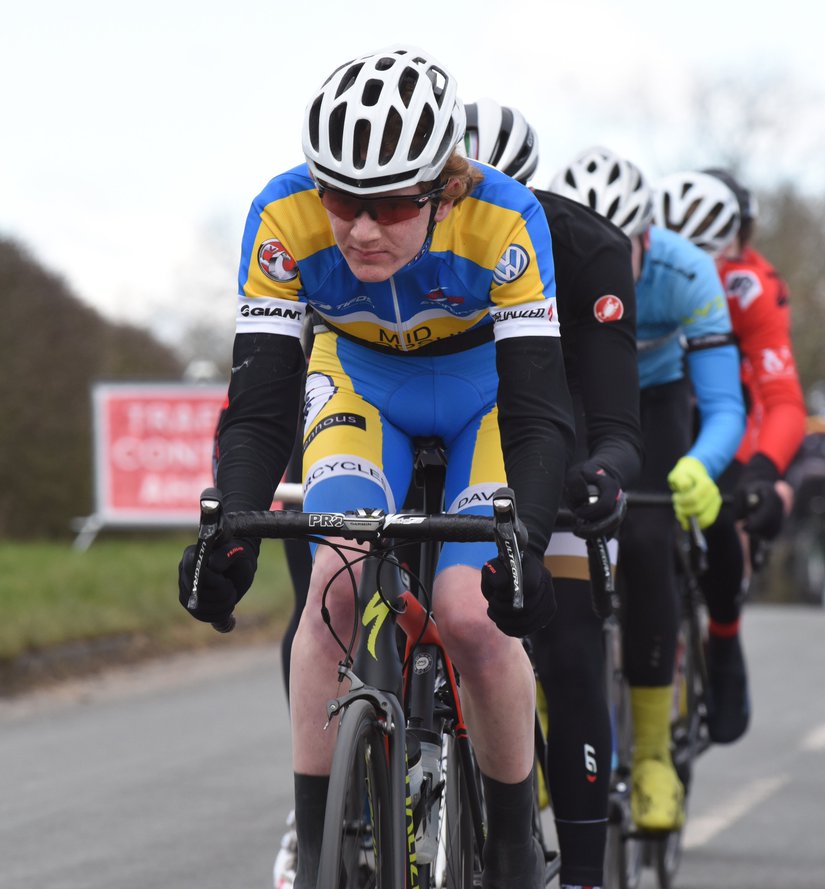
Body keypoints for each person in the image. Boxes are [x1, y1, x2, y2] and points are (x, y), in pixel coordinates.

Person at [175, 45, 575, 889]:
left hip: (484, 396)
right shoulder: (281, 215)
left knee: (472, 612)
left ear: (443, 187)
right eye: (341, 198)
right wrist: (231, 531)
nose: (359, 228)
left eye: (391, 206)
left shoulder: (504, 219)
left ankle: (511, 848)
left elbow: (540, 409)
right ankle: (319, 847)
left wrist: (527, 540)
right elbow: (260, 403)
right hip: (361, 383)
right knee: (334, 585)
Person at [464, 99, 643, 889]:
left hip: (551, 442)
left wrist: (603, 465)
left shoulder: (586, 245)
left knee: (569, 648)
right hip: (443, 438)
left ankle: (581, 872)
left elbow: (612, 410)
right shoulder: (391, 236)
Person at [549, 147, 746, 832]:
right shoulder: (544, 256)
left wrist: (700, 463)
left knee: (647, 538)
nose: (606, 254)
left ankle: (654, 754)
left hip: (657, 398)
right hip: (573, 393)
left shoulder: (686, 271)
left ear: (647, 237)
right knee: (544, 540)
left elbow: (723, 403)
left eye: (623, 243)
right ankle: (548, 711)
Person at [652, 169, 806, 741]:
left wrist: (765, 473)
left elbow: (784, 399)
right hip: (652, 410)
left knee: (718, 524)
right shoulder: (635, 268)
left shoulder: (750, 288)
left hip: (725, 417)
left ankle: (724, 636)